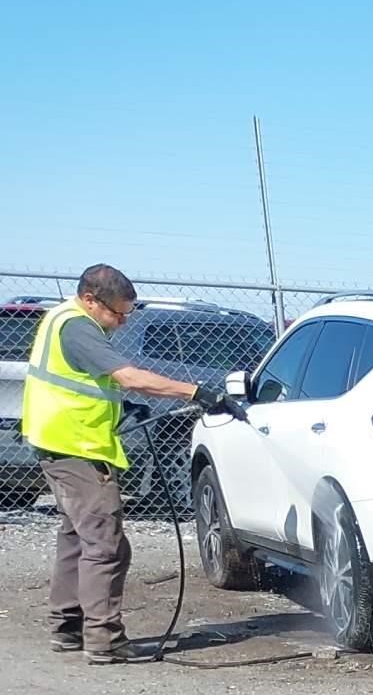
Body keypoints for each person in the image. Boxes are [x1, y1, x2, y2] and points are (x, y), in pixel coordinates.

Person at [23, 264, 234, 664]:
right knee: (107, 545)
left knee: (76, 538)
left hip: (58, 441)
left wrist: (120, 406)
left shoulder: (61, 317)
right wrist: (196, 392)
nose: (121, 323)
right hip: (77, 448)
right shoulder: (78, 327)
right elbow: (128, 376)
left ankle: (67, 627)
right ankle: (104, 639)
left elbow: (95, 382)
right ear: (90, 300)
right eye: (117, 314)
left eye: (127, 314)